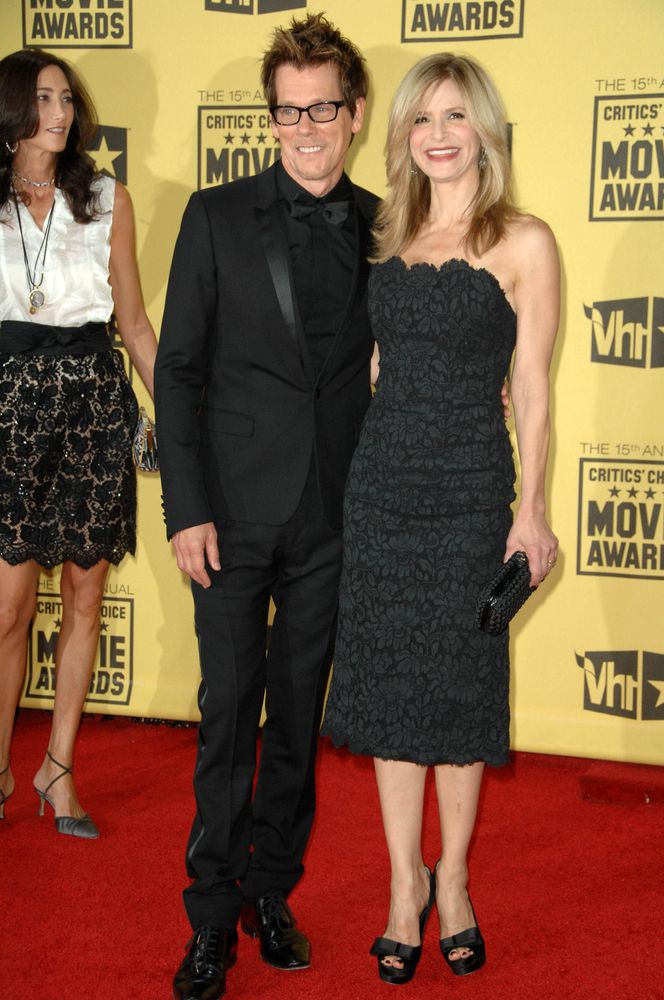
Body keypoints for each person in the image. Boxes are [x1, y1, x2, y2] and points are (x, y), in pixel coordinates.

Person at [322, 52, 559, 984]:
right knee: (390, 689)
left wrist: (531, 511)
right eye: (422, 118)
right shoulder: (387, 237)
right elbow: (379, 366)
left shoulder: (524, 241)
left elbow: (531, 387)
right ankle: (402, 887)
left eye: (456, 115)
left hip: (470, 492)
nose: (438, 134)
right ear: (402, 136)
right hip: (383, 487)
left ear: (484, 130)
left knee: (459, 690)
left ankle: (452, 879)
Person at [154, 13, 378, 1000]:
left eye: (322, 109)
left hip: (333, 516)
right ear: (272, 117)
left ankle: (270, 892)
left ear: (354, 112)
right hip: (232, 517)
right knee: (225, 716)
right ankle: (209, 919)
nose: (306, 129)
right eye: (289, 112)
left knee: (296, 721)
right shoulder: (214, 215)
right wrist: (186, 508)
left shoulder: (387, 225)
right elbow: (177, 369)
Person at [0, 49, 157, 839]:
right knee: (10, 607)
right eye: (42, 98)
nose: (59, 112)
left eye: (65, 98)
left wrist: (179, 416)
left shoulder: (105, 198)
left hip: (94, 408)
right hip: (9, 418)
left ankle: (57, 769)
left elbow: (134, 323)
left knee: (85, 596)